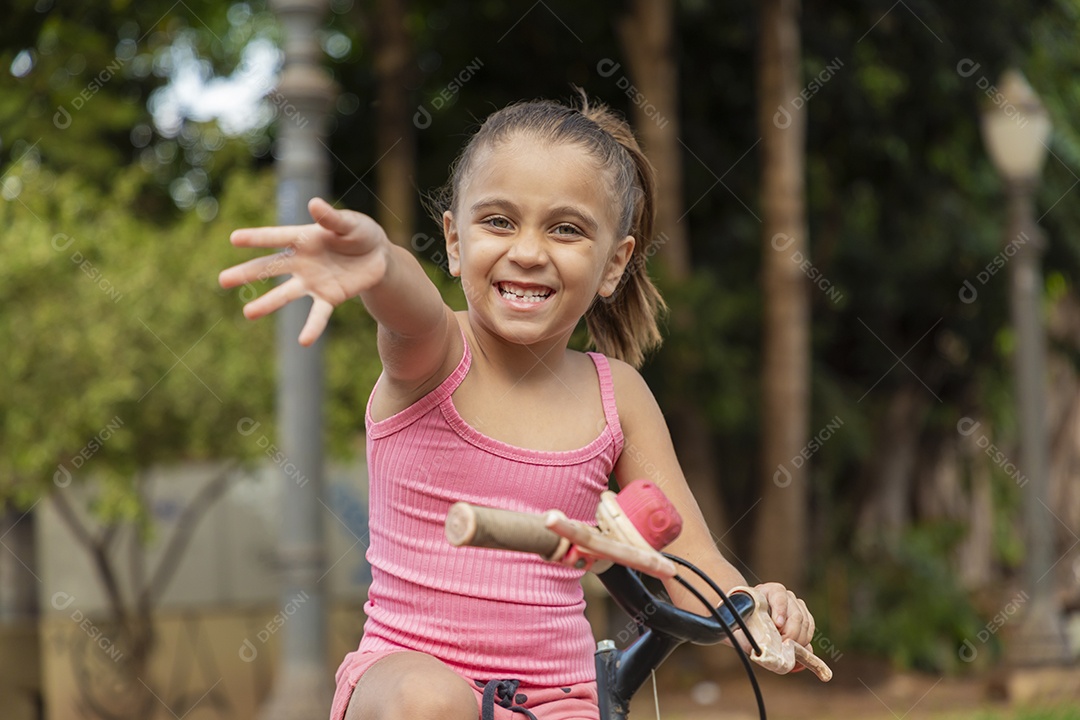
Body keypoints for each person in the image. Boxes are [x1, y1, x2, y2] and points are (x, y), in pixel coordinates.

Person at [219, 95, 815, 720]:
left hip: (558, 702)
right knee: (431, 701)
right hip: (404, 685)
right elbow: (411, 308)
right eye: (498, 222)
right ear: (453, 240)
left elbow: (689, 562)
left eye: (566, 228)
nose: (528, 251)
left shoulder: (619, 395)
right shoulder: (436, 356)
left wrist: (752, 604)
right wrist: (380, 265)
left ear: (614, 263)